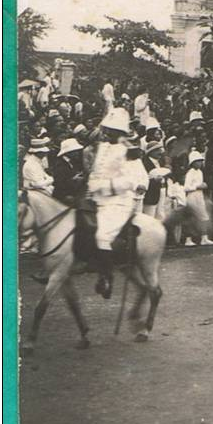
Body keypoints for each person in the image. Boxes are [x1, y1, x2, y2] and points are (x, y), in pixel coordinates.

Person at [86, 108, 136, 298]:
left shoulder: (127, 151)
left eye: (111, 130)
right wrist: (91, 185)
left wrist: (103, 187)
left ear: (120, 132)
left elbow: (130, 181)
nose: (106, 133)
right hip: (96, 197)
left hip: (118, 201)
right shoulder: (103, 148)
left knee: (102, 236)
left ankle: (106, 278)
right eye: (106, 129)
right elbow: (96, 172)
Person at [183, 150, 213, 246]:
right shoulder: (190, 173)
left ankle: (204, 238)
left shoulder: (200, 172)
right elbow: (186, 187)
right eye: (198, 161)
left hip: (199, 196)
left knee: (203, 216)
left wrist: (202, 186)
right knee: (190, 217)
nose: (200, 163)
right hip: (192, 196)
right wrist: (198, 186)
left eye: (201, 161)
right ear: (192, 162)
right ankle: (188, 240)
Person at [51, 138, 85, 204]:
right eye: (75, 151)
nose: (77, 153)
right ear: (68, 152)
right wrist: (74, 179)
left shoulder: (72, 162)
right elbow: (59, 183)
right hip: (63, 194)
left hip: (71, 191)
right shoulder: (60, 165)